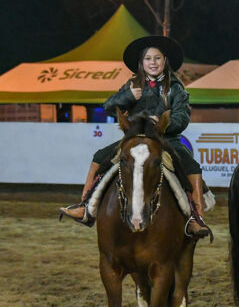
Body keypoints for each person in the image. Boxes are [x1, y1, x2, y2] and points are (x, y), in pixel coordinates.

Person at [60, 35, 211, 239]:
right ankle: (86, 206)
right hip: (133, 139)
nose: (153, 63)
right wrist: (128, 97)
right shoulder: (132, 85)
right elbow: (108, 107)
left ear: (165, 61)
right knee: (99, 156)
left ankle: (196, 218)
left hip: (165, 139)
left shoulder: (175, 88)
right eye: (148, 59)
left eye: (157, 58)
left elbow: (182, 117)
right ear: (141, 63)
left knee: (191, 166)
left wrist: (164, 125)